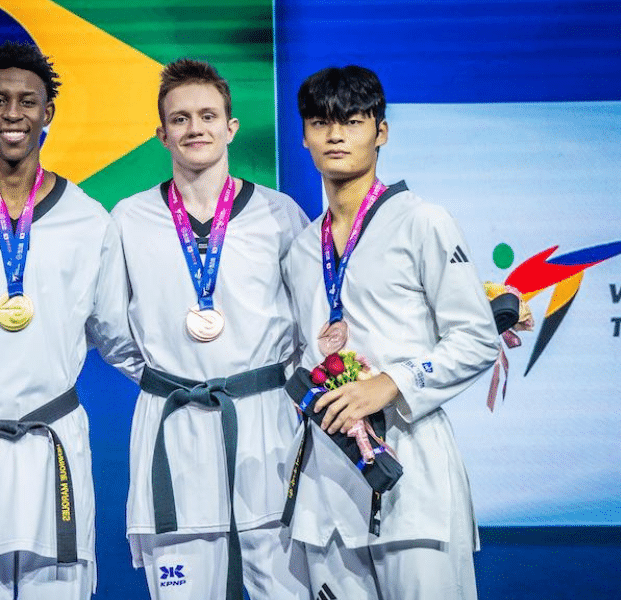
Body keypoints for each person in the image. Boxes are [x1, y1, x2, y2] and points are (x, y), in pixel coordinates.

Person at [0, 41, 143, 600]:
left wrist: (192, 375)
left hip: (52, 449)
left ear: (48, 113)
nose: (12, 114)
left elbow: (117, 336)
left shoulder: (90, 220)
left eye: (27, 101)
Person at [282, 65, 499, 599]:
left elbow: (475, 338)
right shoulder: (301, 249)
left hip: (412, 476)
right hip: (328, 482)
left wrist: (393, 382)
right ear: (304, 134)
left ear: (381, 131)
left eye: (352, 121)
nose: (335, 136)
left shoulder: (422, 221)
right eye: (320, 122)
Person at [111, 59, 310, 600]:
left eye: (207, 115)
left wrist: (269, 383)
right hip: (172, 426)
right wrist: (169, 376)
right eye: (179, 119)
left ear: (231, 127)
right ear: (161, 134)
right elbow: (108, 325)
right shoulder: (129, 219)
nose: (194, 128)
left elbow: (307, 320)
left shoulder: (279, 213)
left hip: (264, 424)